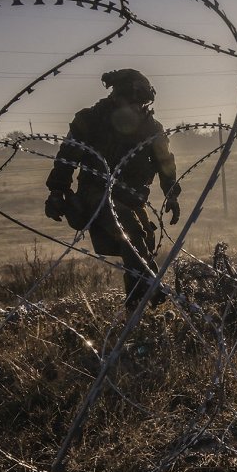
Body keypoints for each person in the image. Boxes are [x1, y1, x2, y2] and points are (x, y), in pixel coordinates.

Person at [44, 69, 181, 307]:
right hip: (96, 192)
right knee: (131, 235)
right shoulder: (90, 120)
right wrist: (56, 192)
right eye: (133, 101)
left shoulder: (150, 128)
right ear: (117, 97)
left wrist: (172, 194)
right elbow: (67, 157)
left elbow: (165, 161)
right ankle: (149, 291)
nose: (137, 108)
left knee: (142, 245)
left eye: (141, 103)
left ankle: (135, 309)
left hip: (132, 196)